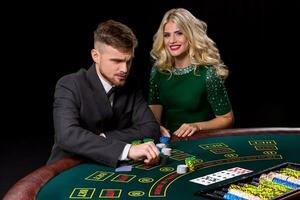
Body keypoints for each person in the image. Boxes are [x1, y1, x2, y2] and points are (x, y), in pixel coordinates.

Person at [47, 20, 160, 168]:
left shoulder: (131, 83)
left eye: (128, 61)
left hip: (112, 168)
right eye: (116, 61)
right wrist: (127, 149)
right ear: (96, 56)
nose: (124, 69)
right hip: (69, 167)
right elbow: (68, 136)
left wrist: (105, 137)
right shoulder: (70, 84)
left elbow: (151, 128)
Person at [148, 8, 234, 138]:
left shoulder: (208, 74)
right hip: (169, 143)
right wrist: (156, 128)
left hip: (202, 141)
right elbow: (154, 119)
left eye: (179, 33)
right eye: (167, 35)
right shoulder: (158, 72)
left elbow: (227, 119)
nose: (172, 40)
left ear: (191, 35)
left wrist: (196, 126)